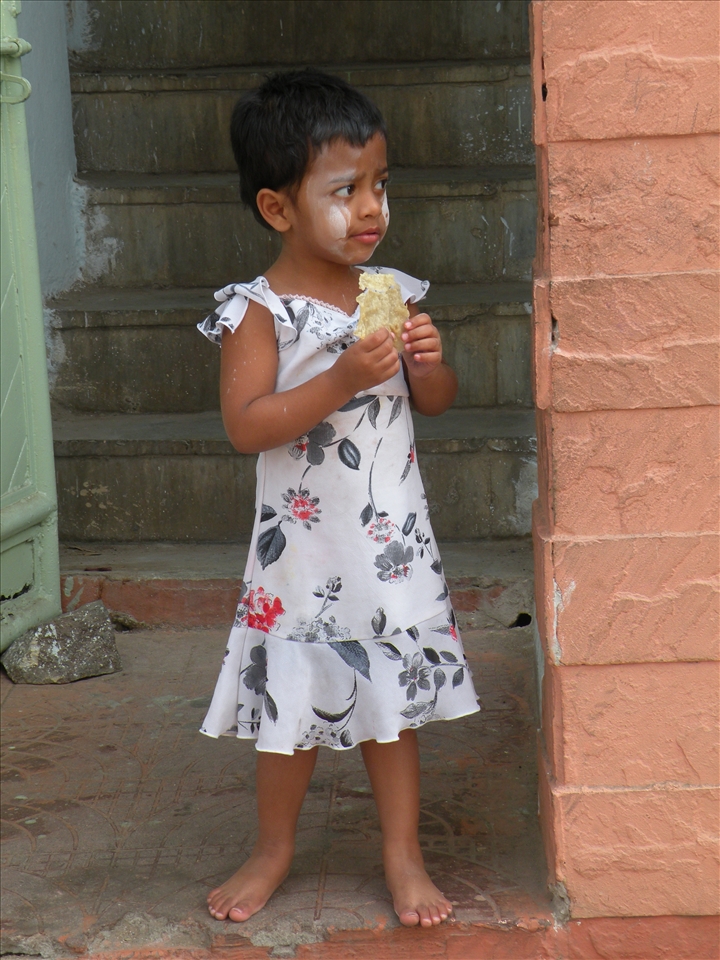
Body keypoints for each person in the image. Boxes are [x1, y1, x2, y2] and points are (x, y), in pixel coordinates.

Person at [197, 68, 479, 929]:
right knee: (290, 708)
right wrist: (340, 379)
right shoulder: (259, 313)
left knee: (391, 708)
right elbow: (246, 425)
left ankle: (403, 854)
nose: (371, 209)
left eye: (380, 185)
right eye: (345, 190)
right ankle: (272, 848)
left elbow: (436, 403)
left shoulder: (392, 292)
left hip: (386, 545)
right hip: (302, 558)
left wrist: (427, 366)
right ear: (277, 208)